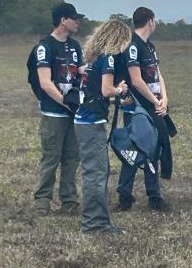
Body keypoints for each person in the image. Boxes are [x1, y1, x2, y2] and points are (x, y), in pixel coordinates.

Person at [74, 18, 130, 233]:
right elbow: (107, 90)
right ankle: (94, 224)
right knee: (96, 174)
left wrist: (116, 98)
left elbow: (96, 91)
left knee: (98, 172)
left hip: (86, 119)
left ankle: (101, 221)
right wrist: (119, 89)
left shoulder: (93, 58)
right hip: (91, 123)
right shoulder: (108, 59)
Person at [33, 2, 85, 216]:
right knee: (51, 157)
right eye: (74, 18)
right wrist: (66, 101)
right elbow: (45, 83)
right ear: (63, 20)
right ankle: (42, 201)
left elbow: (81, 71)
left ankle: (69, 200)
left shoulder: (75, 46)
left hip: (73, 113)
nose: (78, 22)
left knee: (72, 157)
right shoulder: (45, 46)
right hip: (54, 113)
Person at [116, 7, 170, 212]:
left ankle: (154, 195)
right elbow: (137, 81)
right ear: (150, 21)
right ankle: (125, 195)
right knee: (134, 148)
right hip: (137, 108)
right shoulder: (132, 46)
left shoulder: (151, 46)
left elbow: (158, 75)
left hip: (155, 105)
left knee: (153, 149)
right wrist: (155, 103)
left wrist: (164, 97)